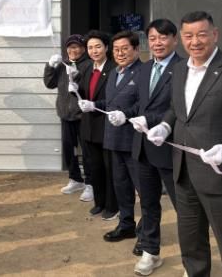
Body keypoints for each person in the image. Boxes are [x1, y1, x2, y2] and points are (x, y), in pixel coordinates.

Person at [146, 11, 222, 277]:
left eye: (202, 34)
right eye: (188, 36)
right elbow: (177, 109)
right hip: (183, 173)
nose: (195, 42)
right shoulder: (179, 69)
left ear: (215, 34)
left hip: (221, 175)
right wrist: (165, 126)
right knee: (191, 244)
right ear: (181, 38)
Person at [117, 19, 181, 275]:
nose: (157, 43)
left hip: (171, 148)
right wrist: (124, 114)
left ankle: (193, 258)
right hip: (143, 148)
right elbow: (141, 105)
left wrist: (152, 119)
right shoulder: (144, 69)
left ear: (175, 39)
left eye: (163, 38)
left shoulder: (184, 69)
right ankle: (150, 251)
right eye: (153, 38)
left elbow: (178, 108)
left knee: (184, 207)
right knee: (148, 203)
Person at [101, 31, 143, 245]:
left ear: (136, 49)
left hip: (135, 140)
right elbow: (110, 104)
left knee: (144, 190)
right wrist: (93, 105)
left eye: (125, 48)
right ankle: (126, 225)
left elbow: (145, 104)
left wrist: (126, 115)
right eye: (116, 49)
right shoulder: (114, 73)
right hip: (114, 139)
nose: (120, 53)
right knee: (121, 186)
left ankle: (146, 234)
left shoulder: (144, 72)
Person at [43, 33, 92, 199]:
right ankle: (75, 179)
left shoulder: (89, 65)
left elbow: (92, 89)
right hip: (65, 115)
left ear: (83, 49)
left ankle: (91, 183)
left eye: (76, 47)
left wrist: (79, 82)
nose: (73, 50)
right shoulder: (62, 65)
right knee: (69, 149)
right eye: (70, 47)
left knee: (87, 151)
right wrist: (50, 66)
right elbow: (49, 83)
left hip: (83, 116)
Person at [77, 30, 118, 220]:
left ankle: (112, 205)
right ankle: (99, 202)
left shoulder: (114, 69)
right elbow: (83, 95)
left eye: (98, 47)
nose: (94, 51)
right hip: (89, 127)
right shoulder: (87, 68)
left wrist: (94, 105)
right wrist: (74, 89)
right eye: (90, 47)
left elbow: (115, 99)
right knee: (95, 167)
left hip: (106, 125)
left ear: (106, 48)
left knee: (109, 168)